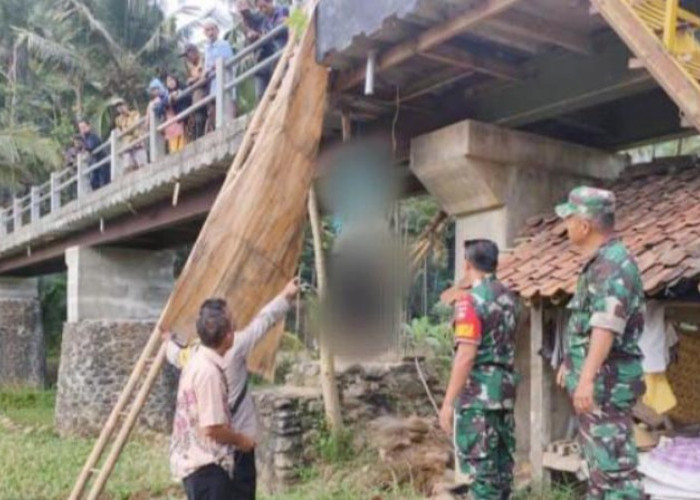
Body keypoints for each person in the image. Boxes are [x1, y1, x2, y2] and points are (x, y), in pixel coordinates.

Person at [166, 278, 300, 499]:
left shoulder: (192, 355)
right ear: (226, 334)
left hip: (197, 461)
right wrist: (286, 295)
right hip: (222, 455)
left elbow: (173, 353)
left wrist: (166, 341)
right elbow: (263, 321)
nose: (235, 323)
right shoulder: (219, 362)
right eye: (230, 320)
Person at [555, 187, 645, 499]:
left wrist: (586, 378)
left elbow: (606, 327)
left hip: (607, 386)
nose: (565, 226)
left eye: (569, 218)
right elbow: (586, 324)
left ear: (584, 224)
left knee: (616, 476)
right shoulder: (600, 263)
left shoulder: (613, 265)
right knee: (600, 472)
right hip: (600, 386)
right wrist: (570, 363)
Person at [439, 239, 519, 499]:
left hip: (478, 399)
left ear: (467, 264)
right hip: (504, 394)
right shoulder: (508, 298)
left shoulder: (469, 302)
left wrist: (449, 402)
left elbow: (465, 355)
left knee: (483, 476)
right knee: (502, 472)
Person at [169, 297, 257, 500]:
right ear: (228, 337)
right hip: (207, 469)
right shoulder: (209, 373)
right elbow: (212, 428)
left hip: (196, 466)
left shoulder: (196, 359)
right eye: (233, 328)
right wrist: (241, 440)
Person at [238, 0, 289, 100]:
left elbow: (302, 21)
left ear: (270, 2)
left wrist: (289, 21)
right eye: (260, 8)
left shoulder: (284, 9)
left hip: (287, 53)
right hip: (273, 59)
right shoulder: (264, 23)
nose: (262, 10)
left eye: (264, 6)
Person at [202, 20, 236, 132]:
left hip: (225, 81)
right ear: (204, 33)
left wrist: (212, 67)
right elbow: (206, 67)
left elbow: (227, 61)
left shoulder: (223, 44)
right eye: (207, 30)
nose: (210, 32)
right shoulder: (207, 49)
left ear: (217, 30)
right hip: (213, 85)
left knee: (228, 108)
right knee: (215, 110)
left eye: (212, 29)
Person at [110, 97, 147, 173]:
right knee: (128, 168)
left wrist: (126, 131)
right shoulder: (118, 120)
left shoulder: (134, 114)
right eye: (117, 107)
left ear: (125, 105)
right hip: (127, 145)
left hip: (137, 142)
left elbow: (135, 126)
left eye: (121, 105)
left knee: (142, 165)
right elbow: (120, 131)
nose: (120, 108)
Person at [180, 43, 207, 141]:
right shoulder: (191, 68)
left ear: (194, 52)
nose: (187, 58)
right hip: (196, 98)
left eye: (188, 55)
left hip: (206, 92)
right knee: (197, 120)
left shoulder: (204, 59)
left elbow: (206, 73)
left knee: (202, 118)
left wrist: (194, 79)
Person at [78, 119, 109, 190]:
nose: (82, 130)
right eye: (81, 128)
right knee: (94, 184)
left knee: (103, 184)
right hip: (94, 167)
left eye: (84, 127)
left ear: (89, 127)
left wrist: (84, 148)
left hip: (102, 165)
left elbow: (92, 146)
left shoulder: (93, 137)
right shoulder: (85, 140)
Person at [164, 74, 191, 154]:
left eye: (172, 80)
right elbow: (162, 105)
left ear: (176, 80)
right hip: (176, 121)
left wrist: (180, 94)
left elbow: (189, 96)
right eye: (168, 81)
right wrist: (170, 98)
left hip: (186, 115)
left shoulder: (182, 87)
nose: (170, 83)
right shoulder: (167, 94)